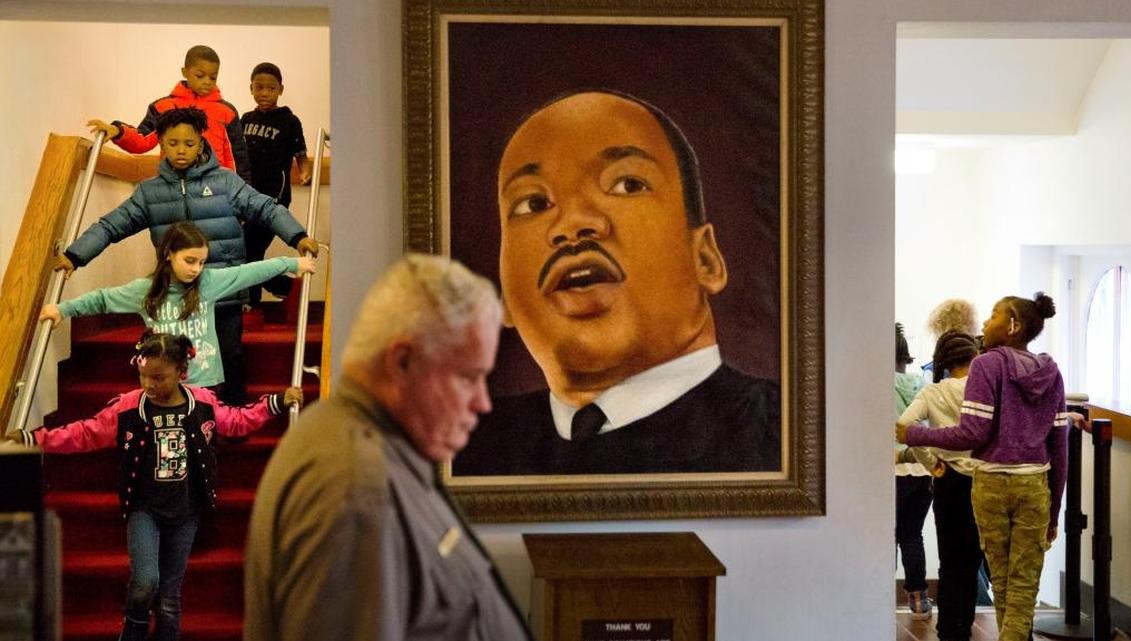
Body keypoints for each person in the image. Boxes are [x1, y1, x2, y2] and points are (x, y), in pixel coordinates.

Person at [451, 89, 780, 476]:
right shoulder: (463, 450)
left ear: (704, 259)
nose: (572, 224)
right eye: (533, 204)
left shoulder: (776, 437)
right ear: (503, 297)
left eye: (626, 184)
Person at [244, 253, 532, 641]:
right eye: (469, 377)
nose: (483, 402)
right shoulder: (354, 485)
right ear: (403, 362)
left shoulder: (373, 451)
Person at [9, 331, 302, 641]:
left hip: (186, 508)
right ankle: (133, 628)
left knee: (170, 595)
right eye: (143, 376)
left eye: (159, 378)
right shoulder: (128, 407)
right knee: (145, 581)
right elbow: (86, 432)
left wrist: (275, 403)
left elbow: (237, 421)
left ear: (182, 372)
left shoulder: (201, 403)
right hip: (143, 508)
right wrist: (36, 438)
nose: (149, 385)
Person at [57, 107, 320, 406]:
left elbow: (266, 208)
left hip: (223, 290)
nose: (181, 151)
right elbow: (110, 225)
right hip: (175, 298)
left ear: (201, 142)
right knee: (173, 364)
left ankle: (231, 418)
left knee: (230, 354)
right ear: (161, 143)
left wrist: (298, 237)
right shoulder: (149, 192)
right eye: (172, 143)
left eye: (189, 144)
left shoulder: (225, 182)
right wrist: (74, 256)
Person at [898, 292, 1069, 641]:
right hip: (1034, 483)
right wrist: (1054, 510)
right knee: (1022, 584)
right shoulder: (1051, 372)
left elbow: (973, 432)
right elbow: (1059, 445)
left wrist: (913, 434)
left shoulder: (986, 366)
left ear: (1013, 325)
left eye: (993, 316)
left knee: (1003, 579)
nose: (986, 324)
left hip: (990, 482)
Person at [40, 222, 316, 388]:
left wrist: (292, 264)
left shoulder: (208, 282)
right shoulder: (146, 291)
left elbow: (251, 271)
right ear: (169, 254)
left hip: (206, 383)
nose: (197, 268)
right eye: (190, 261)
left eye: (202, 262)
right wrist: (63, 310)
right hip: (163, 386)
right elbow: (101, 299)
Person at [897, 331, 982, 641]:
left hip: (947, 479)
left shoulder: (933, 392)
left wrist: (930, 461)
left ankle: (949, 630)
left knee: (950, 558)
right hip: (981, 480)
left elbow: (905, 425)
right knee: (972, 558)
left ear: (943, 360)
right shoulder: (981, 391)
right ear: (975, 358)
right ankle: (966, 623)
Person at [87, 44, 252, 181]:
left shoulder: (227, 112)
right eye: (200, 76)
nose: (207, 82)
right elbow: (142, 140)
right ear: (185, 72)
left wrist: (242, 199)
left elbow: (238, 158)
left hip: (215, 191)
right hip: (172, 188)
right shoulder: (163, 107)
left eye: (213, 77)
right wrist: (118, 131)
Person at [240, 62, 314, 306]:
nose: (264, 93)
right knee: (246, 252)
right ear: (250, 88)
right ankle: (282, 288)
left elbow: (301, 155)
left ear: (280, 89)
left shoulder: (289, 121)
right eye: (259, 87)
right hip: (245, 197)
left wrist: (305, 172)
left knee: (251, 250)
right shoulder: (245, 119)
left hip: (274, 199)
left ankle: (258, 299)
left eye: (270, 88)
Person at [893, 322, 932, 621]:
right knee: (912, 534)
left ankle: (878, 595)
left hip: (891, 469)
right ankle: (919, 600)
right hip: (924, 469)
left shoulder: (878, 384)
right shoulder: (924, 385)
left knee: (883, 536)